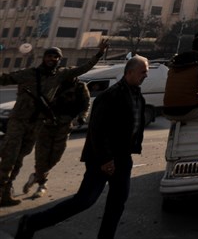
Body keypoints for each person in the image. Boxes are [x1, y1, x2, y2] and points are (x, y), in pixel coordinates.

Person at [16, 56, 149, 239]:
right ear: (130, 72)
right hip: (101, 159)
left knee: (117, 203)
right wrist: (105, 159)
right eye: (143, 71)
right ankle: (32, 222)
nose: (146, 75)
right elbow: (97, 129)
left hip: (123, 158)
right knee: (84, 201)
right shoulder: (110, 96)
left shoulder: (137, 96)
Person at [0, 39, 109, 207]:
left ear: (59, 60)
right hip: (19, 121)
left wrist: (99, 53)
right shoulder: (28, 74)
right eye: (50, 56)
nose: (52, 59)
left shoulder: (59, 75)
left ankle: (5, 193)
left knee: (19, 158)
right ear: (44, 58)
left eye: (56, 57)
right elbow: (5, 79)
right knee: (9, 158)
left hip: (36, 124)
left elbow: (83, 68)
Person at [23, 76, 92, 199]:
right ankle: (41, 184)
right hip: (46, 125)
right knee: (41, 156)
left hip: (64, 126)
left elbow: (85, 104)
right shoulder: (52, 84)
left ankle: (36, 176)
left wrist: (82, 116)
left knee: (55, 156)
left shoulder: (80, 87)